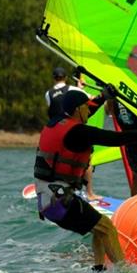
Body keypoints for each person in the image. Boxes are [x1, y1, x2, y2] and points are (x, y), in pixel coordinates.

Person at [34, 86, 137, 270]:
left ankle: (99, 270)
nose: (88, 110)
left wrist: (103, 97)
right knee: (107, 227)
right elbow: (119, 138)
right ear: (78, 109)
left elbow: (87, 108)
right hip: (61, 201)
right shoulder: (79, 133)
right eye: (85, 107)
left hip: (48, 201)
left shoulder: (57, 122)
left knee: (98, 228)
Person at [44, 66, 99, 200]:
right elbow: (88, 100)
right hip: (74, 130)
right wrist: (83, 89)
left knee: (62, 161)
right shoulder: (72, 89)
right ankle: (90, 193)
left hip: (57, 132)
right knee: (87, 161)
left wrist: (79, 88)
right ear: (66, 78)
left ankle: (62, 190)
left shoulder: (48, 93)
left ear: (54, 78)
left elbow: (56, 108)